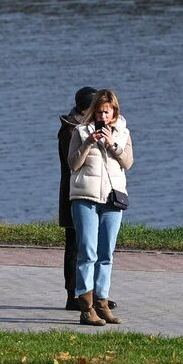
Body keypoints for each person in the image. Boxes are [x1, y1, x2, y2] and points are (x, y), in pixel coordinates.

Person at [64, 88, 132, 325]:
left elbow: (128, 162)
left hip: (113, 199)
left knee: (106, 254)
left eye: (107, 112)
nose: (102, 116)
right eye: (99, 112)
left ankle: (103, 303)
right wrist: (88, 144)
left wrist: (113, 144)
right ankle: (86, 307)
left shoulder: (123, 133)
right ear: (93, 112)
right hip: (86, 198)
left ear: (114, 113)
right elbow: (73, 164)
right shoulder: (80, 132)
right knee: (88, 253)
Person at [56, 86, 99, 311]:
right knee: (75, 245)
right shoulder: (70, 131)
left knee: (92, 245)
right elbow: (73, 164)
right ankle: (74, 295)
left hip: (92, 191)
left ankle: (93, 294)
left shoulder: (88, 127)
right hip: (74, 193)